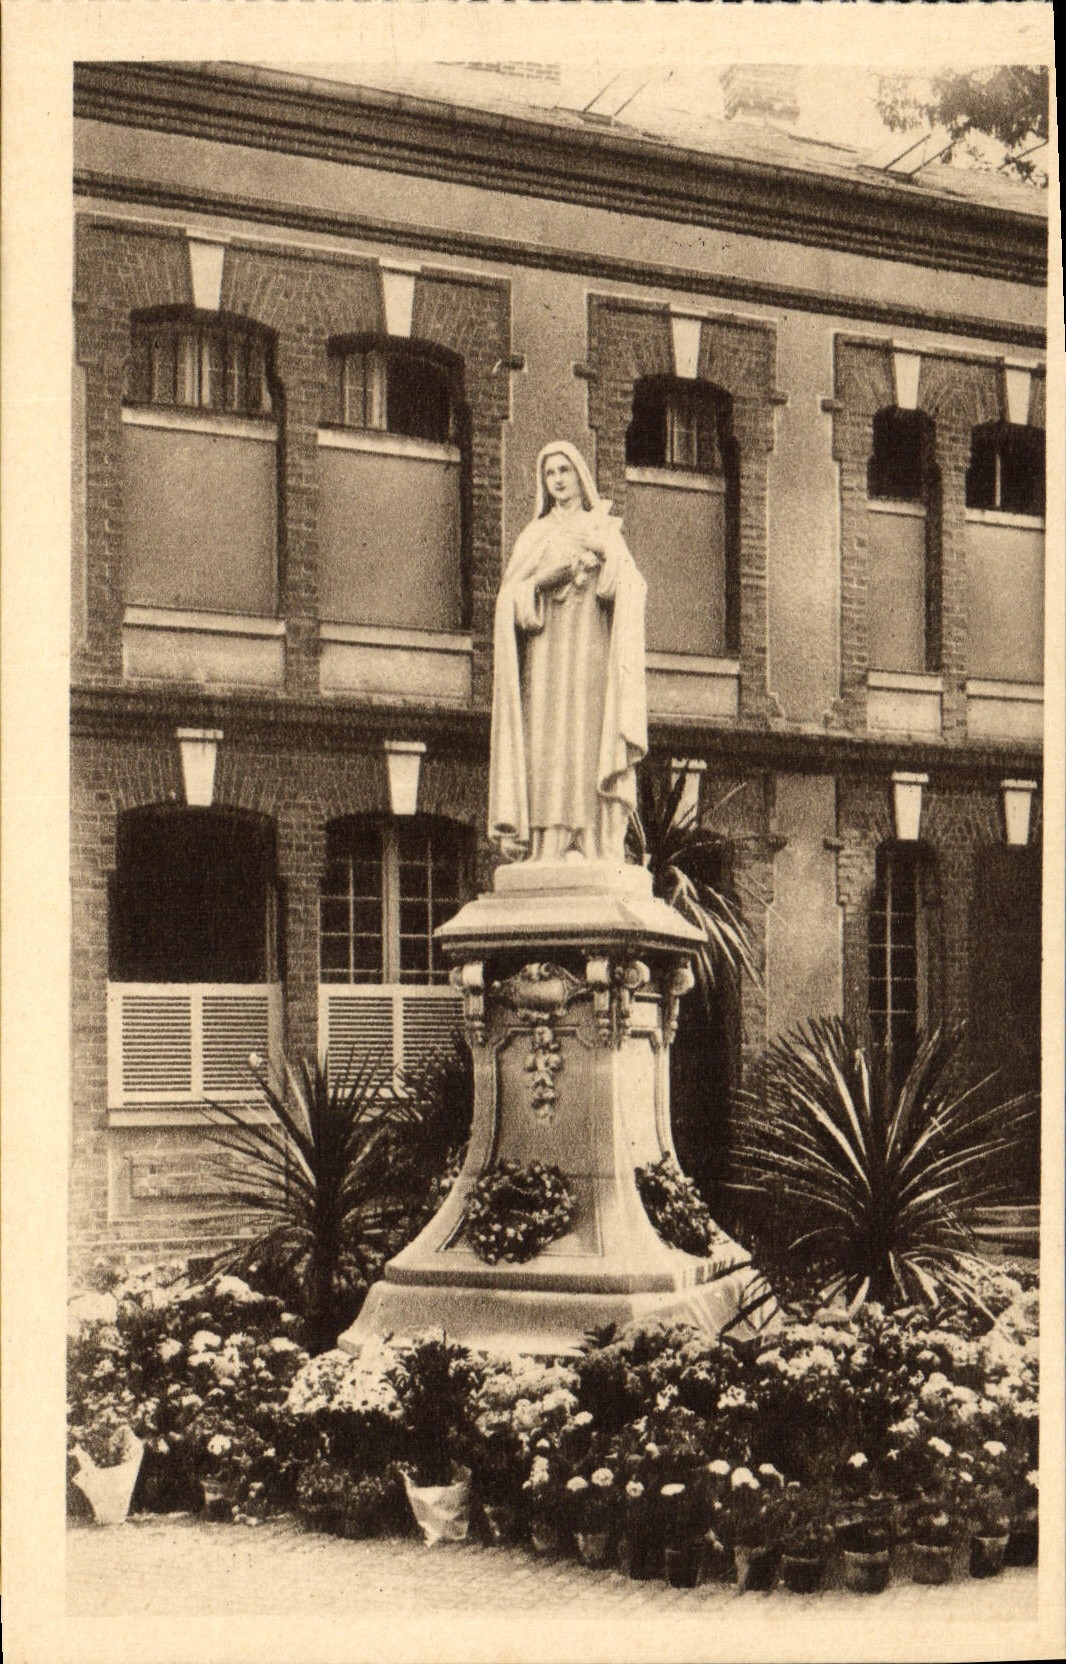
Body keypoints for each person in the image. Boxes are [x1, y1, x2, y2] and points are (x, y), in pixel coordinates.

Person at [489, 441, 647, 863]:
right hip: (545, 660)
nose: (558, 480)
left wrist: (605, 556)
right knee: (547, 739)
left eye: (564, 471)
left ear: (580, 475)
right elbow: (507, 602)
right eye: (549, 474)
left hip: (592, 651)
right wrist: (542, 580)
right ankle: (549, 841)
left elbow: (631, 588)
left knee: (588, 735)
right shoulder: (535, 535)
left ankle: (593, 839)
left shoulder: (603, 528)